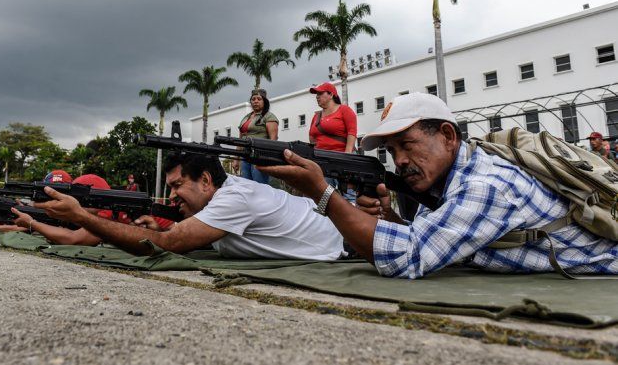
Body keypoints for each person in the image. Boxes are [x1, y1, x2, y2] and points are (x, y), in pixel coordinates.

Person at [259, 92, 618, 278]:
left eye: (408, 144)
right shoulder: (461, 177)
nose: (398, 160)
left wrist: (322, 194)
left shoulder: (486, 185)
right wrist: (389, 219)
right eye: (391, 149)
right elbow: (439, 239)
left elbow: (408, 257)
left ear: (447, 136)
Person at [34, 152, 345, 260]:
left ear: (206, 180)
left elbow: (165, 245)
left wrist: (79, 216)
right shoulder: (226, 194)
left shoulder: (233, 198)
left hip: (344, 244)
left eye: (177, 186)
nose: (172, 198)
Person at [308, 82, 358, 202]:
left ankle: (351, 219)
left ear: (331, 94)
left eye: (320, 93)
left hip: (342, 157)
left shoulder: (344, 110)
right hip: (322, 161)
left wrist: (347, 155)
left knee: (349, 194)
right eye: (316, 94)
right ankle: (328, 220)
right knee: (325, 197)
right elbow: (312, 137)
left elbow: (352, 133)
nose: (317, 96)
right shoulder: (316, 116)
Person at [233, 89, 278, 184]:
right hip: (245, 156)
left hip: (260, 157)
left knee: (259, 186)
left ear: (264, 101)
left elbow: (273, 140)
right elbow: (240, 140)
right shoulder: (246, 118)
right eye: (253, 99)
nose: (255, 101)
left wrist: (269, 160)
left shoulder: (269, 117)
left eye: (259, 99)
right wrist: (236, 159)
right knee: (246, 185)